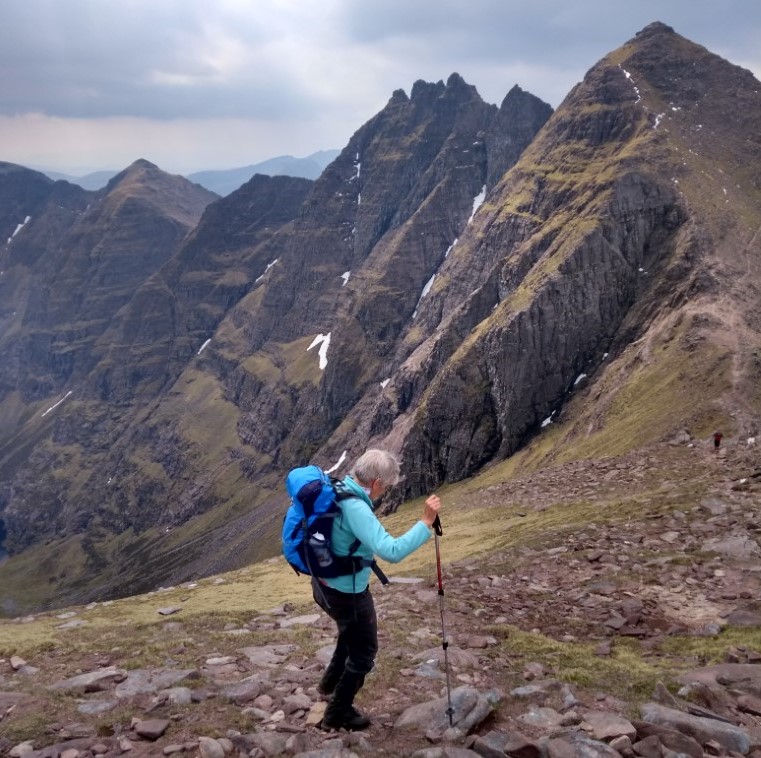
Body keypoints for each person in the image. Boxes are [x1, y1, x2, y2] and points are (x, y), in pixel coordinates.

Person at [313, 449, 441, 731]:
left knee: (349, 636)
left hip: (324, 586)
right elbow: (391, 551)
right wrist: (425, 523)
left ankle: (328, 686)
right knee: (364, 653)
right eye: (386, 486)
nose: (385, 491)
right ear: (376, 483)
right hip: (348, 594)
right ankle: (337, 714)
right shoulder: (356, 508)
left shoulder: (338, 488)